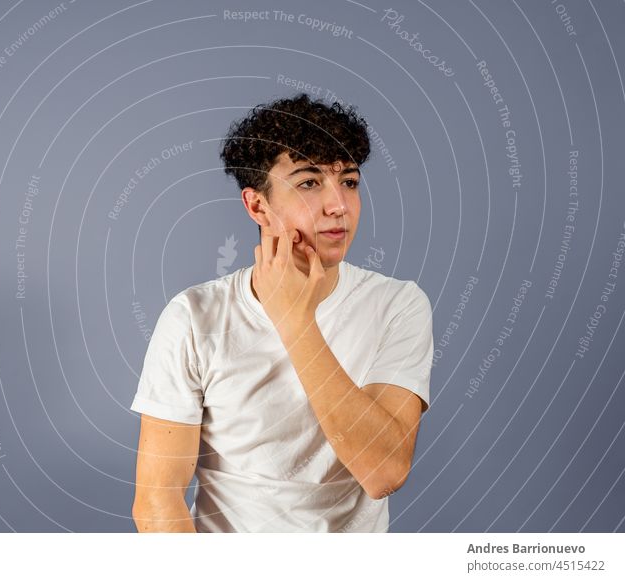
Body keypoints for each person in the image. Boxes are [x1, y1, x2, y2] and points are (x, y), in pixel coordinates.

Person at [130, 93, 433, 532]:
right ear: (257, 206)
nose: (338, 206)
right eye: (309, 183)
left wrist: (295, 319)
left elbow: (383, 472)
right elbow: (157, 502)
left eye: (348, 181)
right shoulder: (194, 317)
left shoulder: (398, 305)